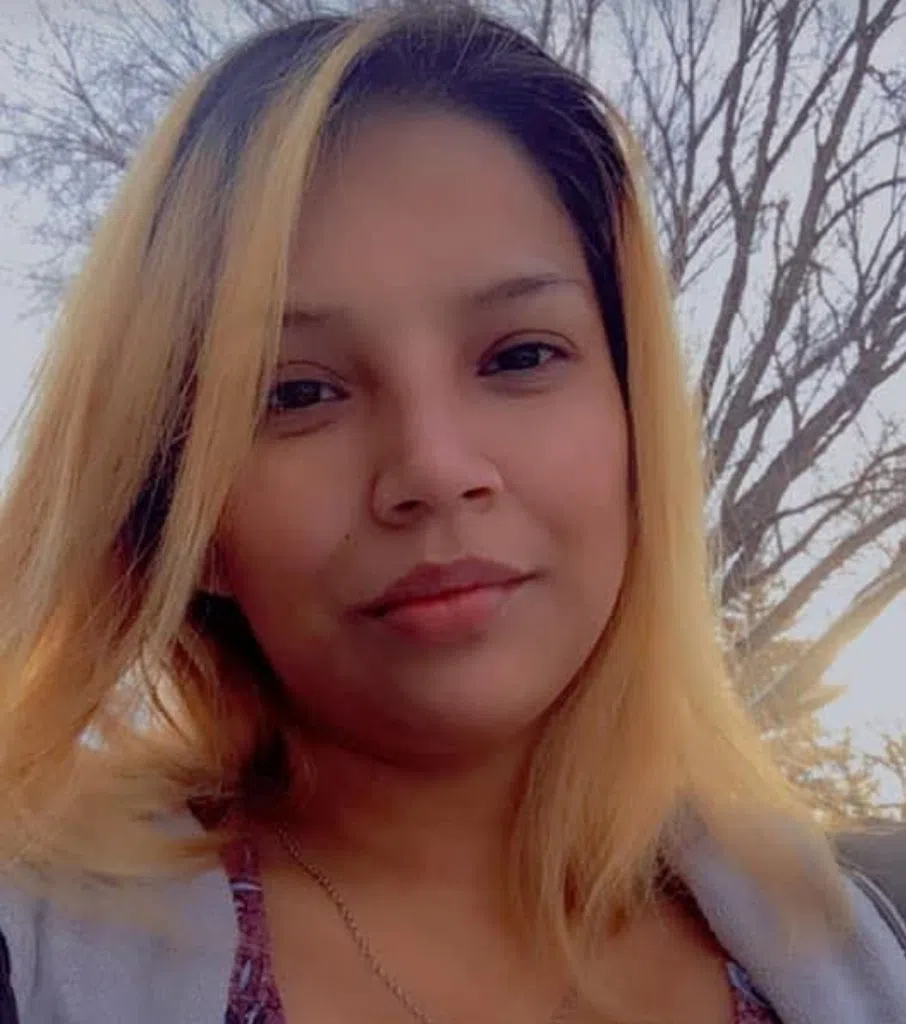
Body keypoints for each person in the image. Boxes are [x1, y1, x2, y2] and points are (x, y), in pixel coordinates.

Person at [0, 4, 902, 1022]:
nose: (433, 467)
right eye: (296, 392)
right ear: (182, 514)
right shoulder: (34, 949)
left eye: (519, 355)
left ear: (635, 423)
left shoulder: (869, 938)